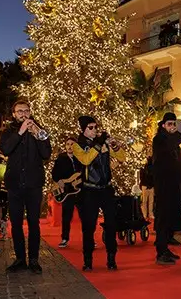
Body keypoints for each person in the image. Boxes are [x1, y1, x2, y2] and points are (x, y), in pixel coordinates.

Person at [0, 99, 52, 274]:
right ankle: (20, 259)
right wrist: (21, 132)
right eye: (20, 111)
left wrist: (36, 134)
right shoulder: (8, 132)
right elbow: (6, 150)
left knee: (33, 223)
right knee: (15, 224)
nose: (24, 113)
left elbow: (46, 154)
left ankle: (34, 260)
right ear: (14, 114)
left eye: (26, 110)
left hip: (34, 184)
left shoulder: (38, 130)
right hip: (14, 184)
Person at [71, 116, 126, 271]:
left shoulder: (102, 143)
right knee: (89, 226)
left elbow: (122, 157)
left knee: (111, 224)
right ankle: (88, 260)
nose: (94, 130)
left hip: (106, 189)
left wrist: (114, 146)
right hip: (89, 190)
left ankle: (111, 258)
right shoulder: (78, 145)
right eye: (90, 127)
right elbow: (86, 160)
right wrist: (99, 144)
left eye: (95, 127)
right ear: (83, 129)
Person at [152, 112, 181, 265]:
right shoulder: (159, 139)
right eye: (169, 124)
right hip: (163, 185)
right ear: (163, 125)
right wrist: (179, 132)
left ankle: (165, 247)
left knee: (171, 217)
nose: (172, 127)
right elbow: (168, 146)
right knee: (163, 219)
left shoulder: (172, 143)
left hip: (174, 185)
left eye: (174, 124)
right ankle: (160, 251)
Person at [51, 136, 84, 248]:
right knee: (66, 217)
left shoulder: (81, 158)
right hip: (67, 192)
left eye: (72, 144)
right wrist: (59, 181)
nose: (70, 146)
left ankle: (89, 239)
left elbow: (84, 174)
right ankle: (64, 238)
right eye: (68, 144)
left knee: (85, 216)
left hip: (80, 191)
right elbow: (54, 173)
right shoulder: (61, 158)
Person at [139, 156, 155, 221]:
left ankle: (146, 214)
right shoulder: (150, 168)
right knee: (148, 201)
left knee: (146, 201)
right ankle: (148, 214)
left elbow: (142, 177)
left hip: (146, 185)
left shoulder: (145, 168)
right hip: (147, 185)